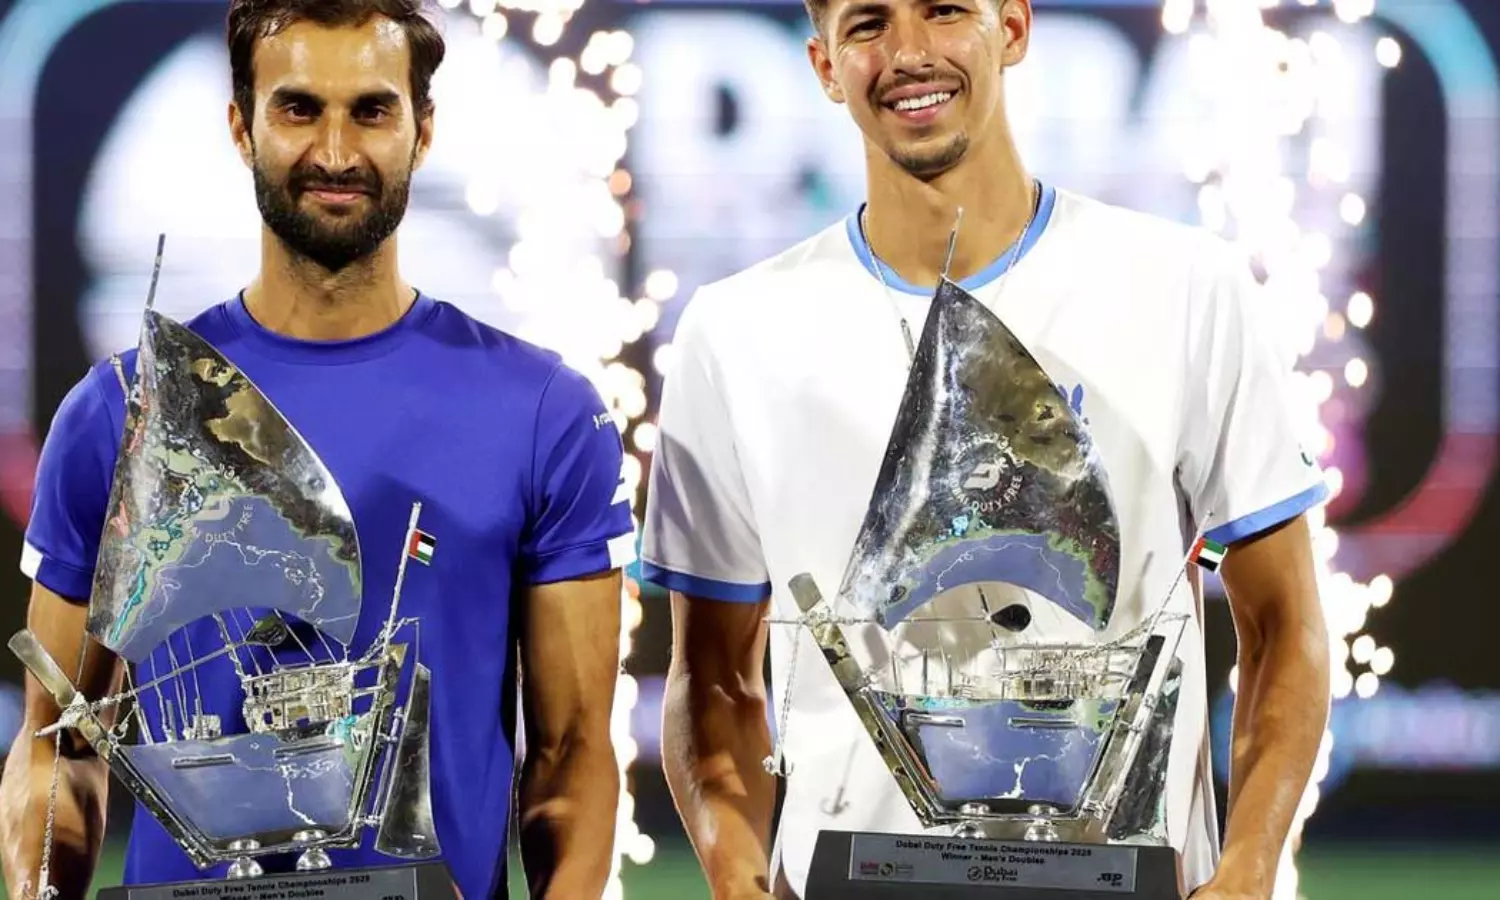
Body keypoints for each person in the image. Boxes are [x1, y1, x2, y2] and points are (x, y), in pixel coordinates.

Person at [640, 0, 1331, 898]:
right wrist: (740, 883)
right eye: (868, 24)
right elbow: (712, 680)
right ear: (824, 66)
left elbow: (1286, 626)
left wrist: (1244, 874)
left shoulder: (1188, 289)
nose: (909, 52)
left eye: (944, 11)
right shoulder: (734, 333)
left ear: (1012, 28)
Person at [0, 2, 634, 899]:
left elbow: (571, 759)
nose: (335, 152)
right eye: (299, 108)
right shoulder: (121, 409)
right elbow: (57, 748)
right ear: (241, 126)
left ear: (423, 131)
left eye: (371, 111)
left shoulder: (543, 411)